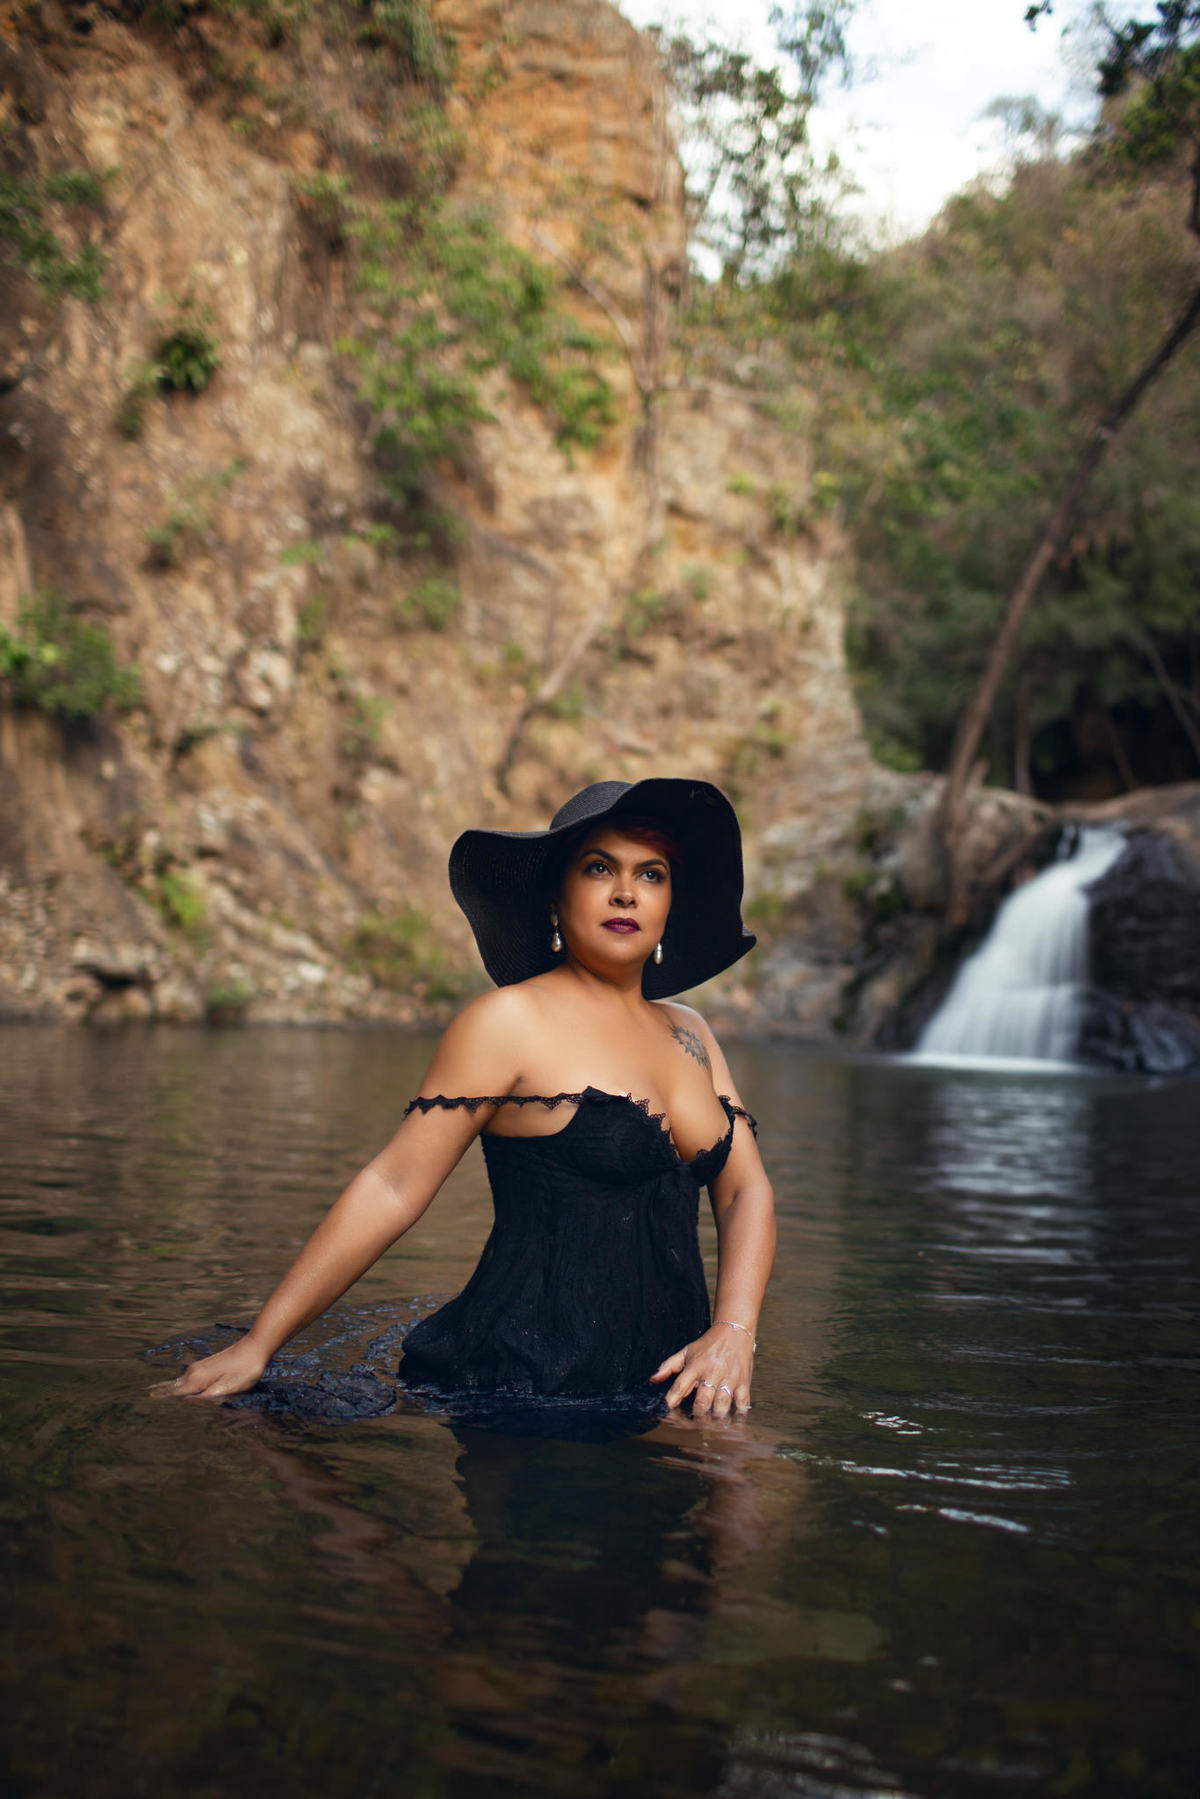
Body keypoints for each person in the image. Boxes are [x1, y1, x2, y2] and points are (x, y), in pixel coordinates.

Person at [165, 778, 776, 1420]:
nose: (626, 891)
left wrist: (734, 1334)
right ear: (555, 896)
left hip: (676, 1380)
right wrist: (260, 1345)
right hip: (528, 1382)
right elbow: (395, 1185)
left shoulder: (692, 1033)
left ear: (668, 903)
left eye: (650, 874)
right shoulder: (507, 1022)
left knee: (752, 1510)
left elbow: (745, 1191)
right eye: (599, 868)